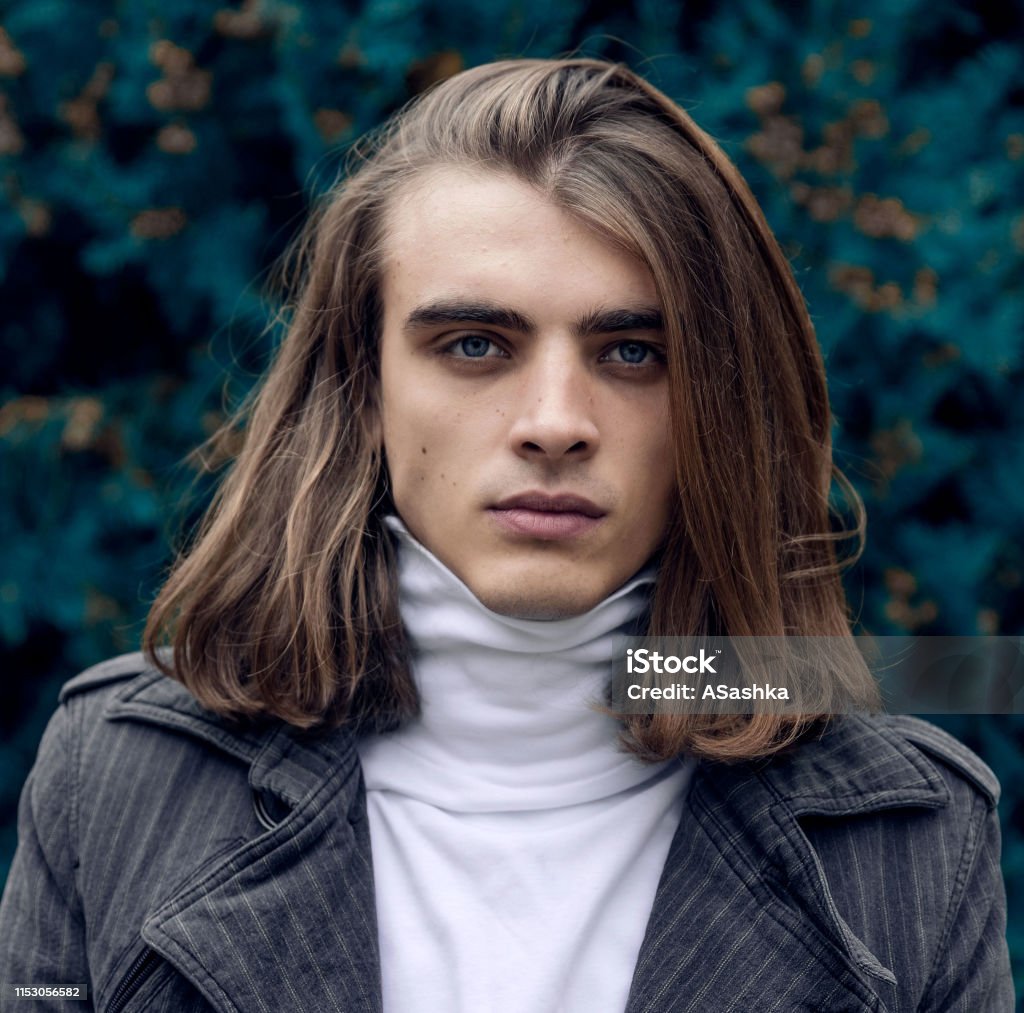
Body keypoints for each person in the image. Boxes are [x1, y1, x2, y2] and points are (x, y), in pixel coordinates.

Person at [0, 58, 1013, 1012]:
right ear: (364, 383)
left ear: (722, 402)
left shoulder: (909, 835)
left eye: (632, 350)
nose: (555, 419)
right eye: (475, 343)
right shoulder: (116, 772)